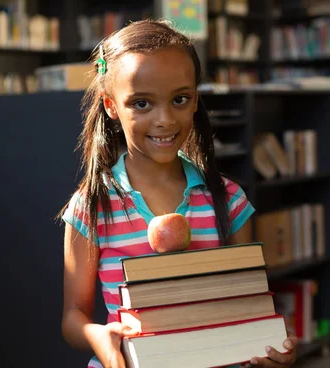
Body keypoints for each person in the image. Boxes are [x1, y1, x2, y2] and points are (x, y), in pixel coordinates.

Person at [59, 19, 299, 368]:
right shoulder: (90, 207)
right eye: (141, 103)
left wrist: (272, 348)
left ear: (195, 100)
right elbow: (73, 317)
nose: (165, 120)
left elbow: (249, 303)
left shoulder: (229, 201)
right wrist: (99, 336)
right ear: (111, 105)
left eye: (180, 99)